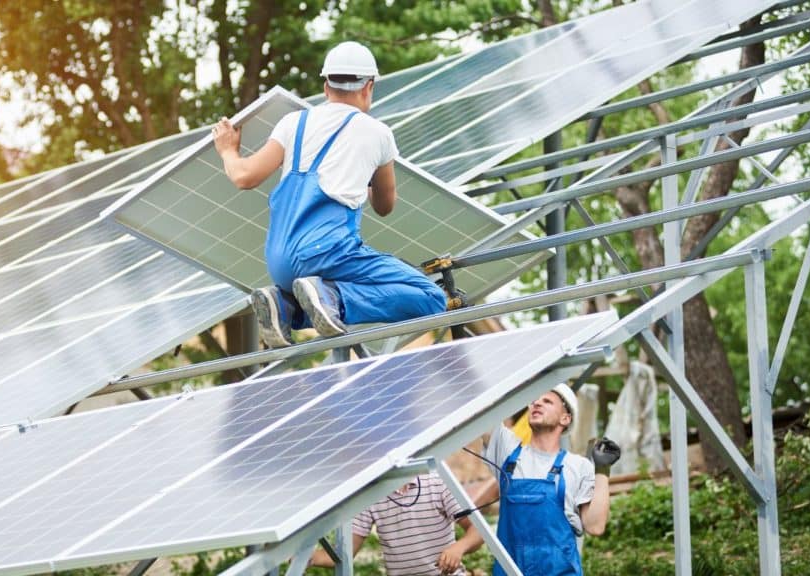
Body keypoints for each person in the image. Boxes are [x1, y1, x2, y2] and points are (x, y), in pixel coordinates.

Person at [212, 41, 446, 349]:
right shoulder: (377, 134)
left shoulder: (293, 123)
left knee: (316, 293)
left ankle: (285, 306)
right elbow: (385, 205)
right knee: (431, 298)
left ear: (326, 86)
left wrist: (228, 150)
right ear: (369, 87)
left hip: (279, 260)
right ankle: (332, 296)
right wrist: (364, 176)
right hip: (328, 253)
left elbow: (243, 177)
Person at [476, 383, 621, 575]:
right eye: (534, 400)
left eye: (547, 401)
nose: (536, 403)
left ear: (565, 418)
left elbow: (595, 526)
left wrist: (602, 470)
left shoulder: (578, 466)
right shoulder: (507, 451)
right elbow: (481, 406)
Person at [309, 472, 483, 575]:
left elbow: (478, 530)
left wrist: (458, 548)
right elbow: (342, 554)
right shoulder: (371, 495)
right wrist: (306, 557)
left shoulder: (437, 482)